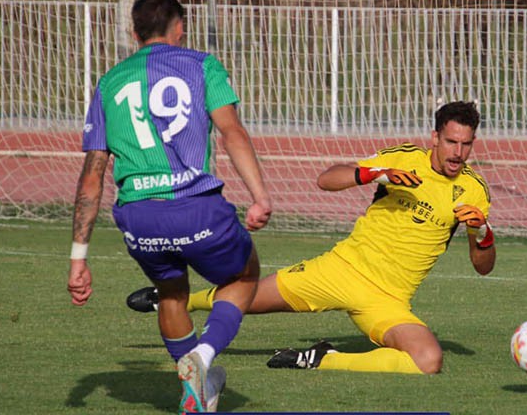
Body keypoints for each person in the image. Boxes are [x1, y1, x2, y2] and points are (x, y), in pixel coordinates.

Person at [127, 101, 494, 375]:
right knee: (247, 299)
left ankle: (324, 359)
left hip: (389, 299)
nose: (458, 153)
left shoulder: (473, 190)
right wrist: (377, 174)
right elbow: (327, 179)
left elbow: (483, 267)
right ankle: (177, 300)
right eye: (451, 142)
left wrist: (481, 231)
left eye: (466, 144)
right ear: (435, 137)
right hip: (341, 270)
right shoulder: (402, 159)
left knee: (428, 361)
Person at [67, 0, 272, 413]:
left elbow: (92, 176)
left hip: (138, 217)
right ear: (179, 28)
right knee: (246, 274)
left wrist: (78, 258)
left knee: (171, 292)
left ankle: (195, 384)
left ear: (134, 31)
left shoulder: (109, 82)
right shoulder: (201, 65)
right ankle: (204, 355)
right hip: (195, 205)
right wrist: (259, 196)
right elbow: (231, 131)